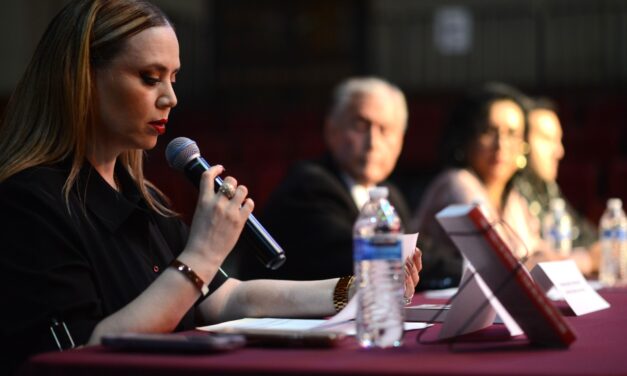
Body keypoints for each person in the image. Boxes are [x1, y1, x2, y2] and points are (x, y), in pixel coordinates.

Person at [0, 1, 422, 373]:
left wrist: (355, 289)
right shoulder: (29, 203)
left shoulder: (143, 198)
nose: (170, 98)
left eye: (174, 79)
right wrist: (201, 255)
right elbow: (82, 352)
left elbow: (225, 298)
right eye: (150, 78)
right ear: (84, 80)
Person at [236, 77, 411, 281]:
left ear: (400, 142)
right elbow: (361, 259)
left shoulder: (391, 196)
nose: (373, 142)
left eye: (385, 130)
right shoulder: (309, 186)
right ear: (331, 131)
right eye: (361, 125)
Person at [410, 83, 570, 290]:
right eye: (488, 131)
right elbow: (502, 268)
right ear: (467, 138)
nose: (501, 145)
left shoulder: (512, 196)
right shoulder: (456, 183)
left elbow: (539, 253)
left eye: (512, 133)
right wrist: (585, 259)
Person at [513, 97, 597, 249]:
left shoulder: (547, 187)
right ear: (522, 141)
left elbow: (584, 233)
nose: (559, 151)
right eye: (547, 139)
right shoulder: (510, 191)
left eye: (558, 140)